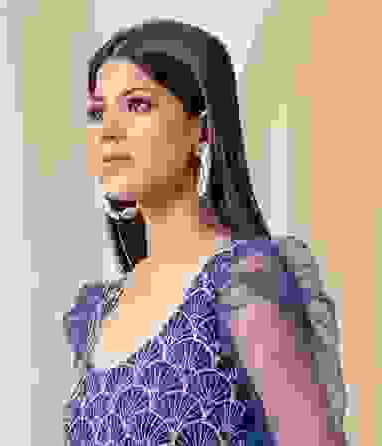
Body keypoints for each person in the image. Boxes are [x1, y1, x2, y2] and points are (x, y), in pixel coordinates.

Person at [63, 18, 348, 445]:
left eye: (137, 105)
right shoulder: (97, 313)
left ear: (202, 129)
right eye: (97, 112)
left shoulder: (242, 281)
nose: (108, 132)